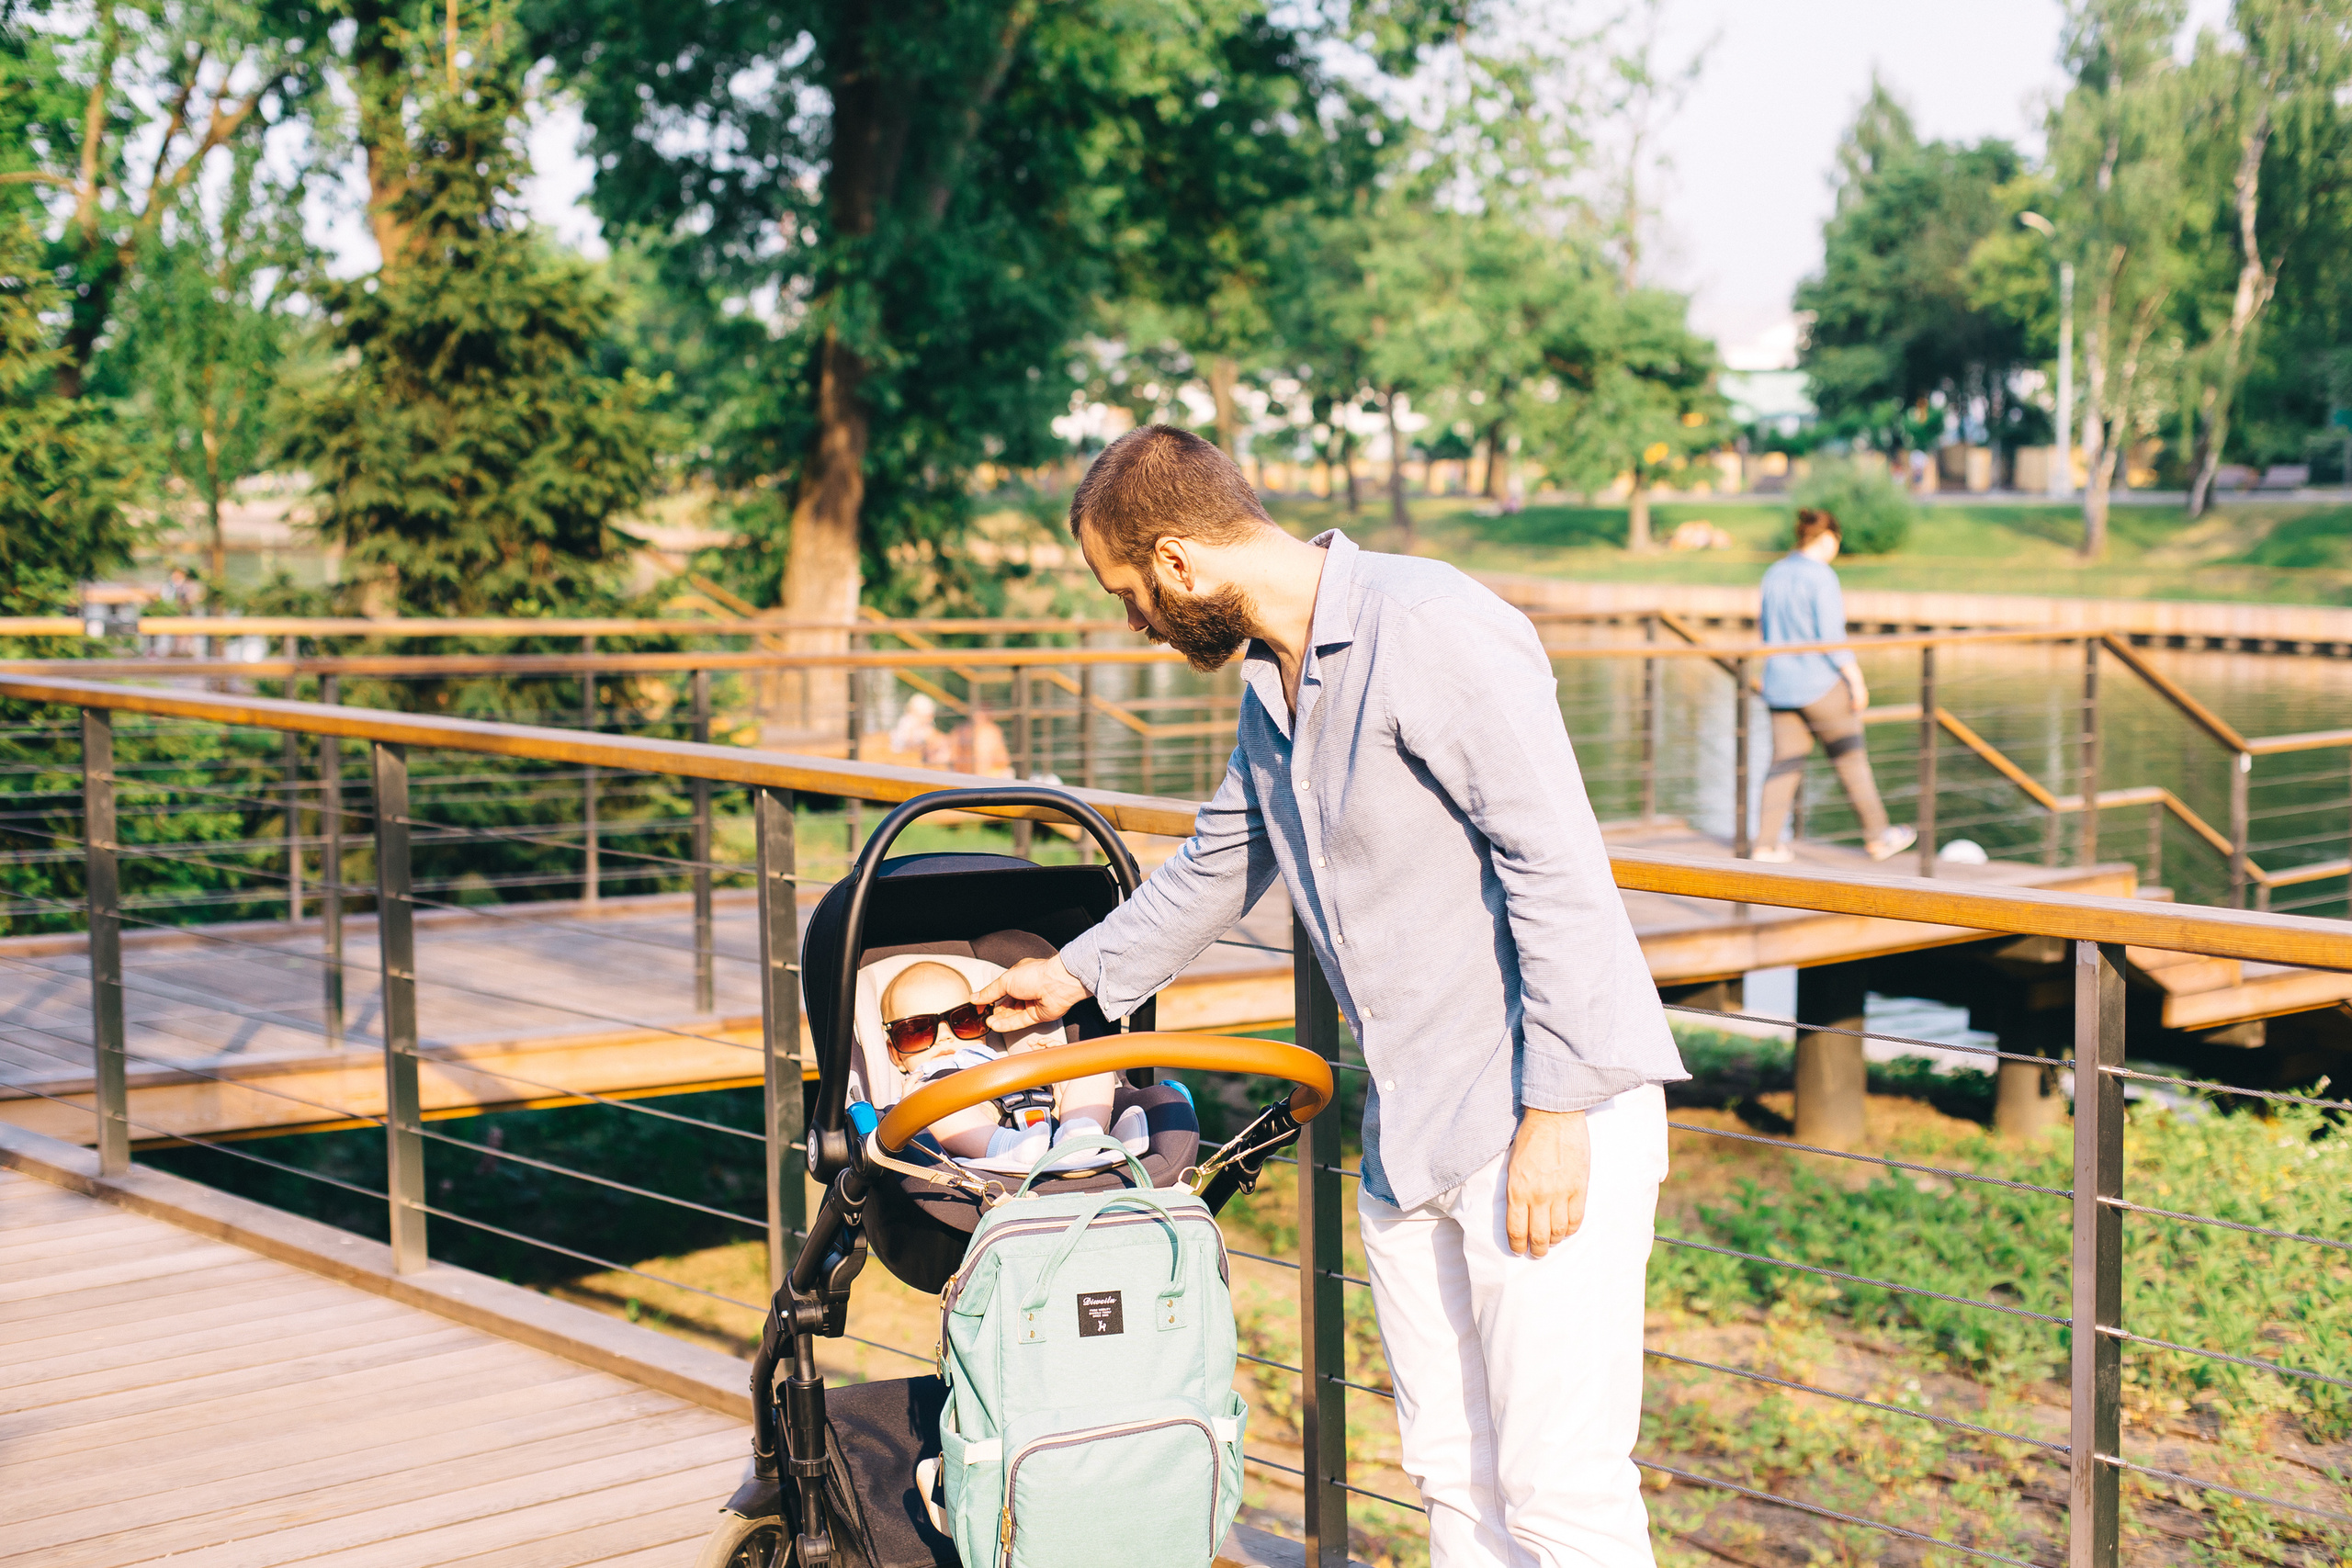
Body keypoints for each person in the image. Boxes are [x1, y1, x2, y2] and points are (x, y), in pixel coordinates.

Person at [973, 424, 1686, 1568]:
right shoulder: (1277, 683)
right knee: (1450, 1474)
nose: (1134, 625)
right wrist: (1066, 979)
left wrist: (1559, 1110)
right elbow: (1219, 862)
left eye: (1128, 595)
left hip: (1539, 1118)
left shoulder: (1432, 625)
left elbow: (1554, 864)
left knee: (1562, 1496)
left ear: (1176, 562)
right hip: (1414, 1126)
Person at [1750, 508, 1917, 863]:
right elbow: (1830, 636)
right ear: (1827, 539)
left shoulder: (1774, 573)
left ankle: (1765, 845)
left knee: (1784, 765)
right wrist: (1855, 679)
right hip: (1819, 685)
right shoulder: (1821, 577)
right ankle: (1878, 836)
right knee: (1850, 758)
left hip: (1779, 685)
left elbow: (1765, 629)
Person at [876, 961, 1128, 1163]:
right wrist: (908, 1107)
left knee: (1093, 1067)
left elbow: (1052, 1076)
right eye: (917, 1031)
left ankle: (1079, 1135)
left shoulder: (999, 1059)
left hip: (1046, 1114)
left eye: (962, 1020)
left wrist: (1059, 1065)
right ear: (896, 1054)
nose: (944, 1038)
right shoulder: (919, 1080)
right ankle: (1006, 1147)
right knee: (924, 1103)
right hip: (980, 1140)